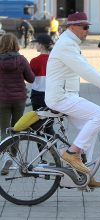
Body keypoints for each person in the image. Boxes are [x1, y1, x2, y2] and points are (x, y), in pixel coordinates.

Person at [45, 12, 100, 187]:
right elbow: (85, 71)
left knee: (89, 132)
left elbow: (87, 67)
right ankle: (71, 154)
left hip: (67, 95)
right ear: (72, 27)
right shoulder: (66, 44)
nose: (87, 30)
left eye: (88, 27)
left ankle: (84, 176)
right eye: (84, 27)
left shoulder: (71, 43)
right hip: (61, 97)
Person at [0, 33, 34, 175]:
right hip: (19, 99)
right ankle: (14, 158)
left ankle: (5, 156)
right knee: (16, 128)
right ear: (15, 44)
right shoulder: (21, 60)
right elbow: (31, 78)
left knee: (4, 129)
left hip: (2, 99)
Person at [30, 34, 55, 157]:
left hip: (38, 96)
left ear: (41, 45)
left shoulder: (35, 61)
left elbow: (30, 78)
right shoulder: (54, 60)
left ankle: (42, 157)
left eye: (36, 43)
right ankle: (54, 154)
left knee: (39, 127)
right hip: (52, 96)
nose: (35, 45)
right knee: (49, 126)